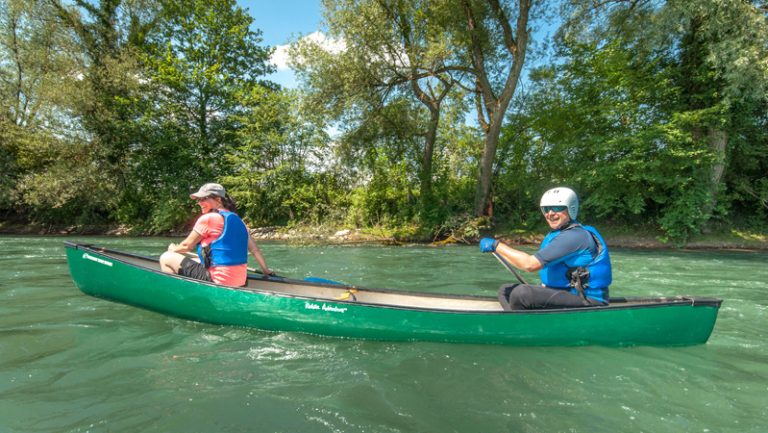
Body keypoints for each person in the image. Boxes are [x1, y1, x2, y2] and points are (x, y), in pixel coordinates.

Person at [479, 187, 611, 310]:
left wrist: (496, 245)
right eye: (546, 209)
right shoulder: (558, 234)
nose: (550, 213)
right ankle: (519, 324)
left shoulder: (575, 236)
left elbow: (529, 265)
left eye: (557, 207)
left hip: (587, 299)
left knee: (521, 294)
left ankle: (522, 329)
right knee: (505, 290)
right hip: (566, 293)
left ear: (571, 208)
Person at [159, 183, 273, 286]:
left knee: (166, 257)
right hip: (240, 281)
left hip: (218, 281)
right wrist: (265, 271)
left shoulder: (208, 218)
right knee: (198, 261)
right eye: (198, 199)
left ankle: (176, 292)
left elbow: (186, 246)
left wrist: (173, 249)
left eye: (203, 198)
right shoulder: (239, 221)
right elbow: (255, 250)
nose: (199, 203)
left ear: (218, 199)